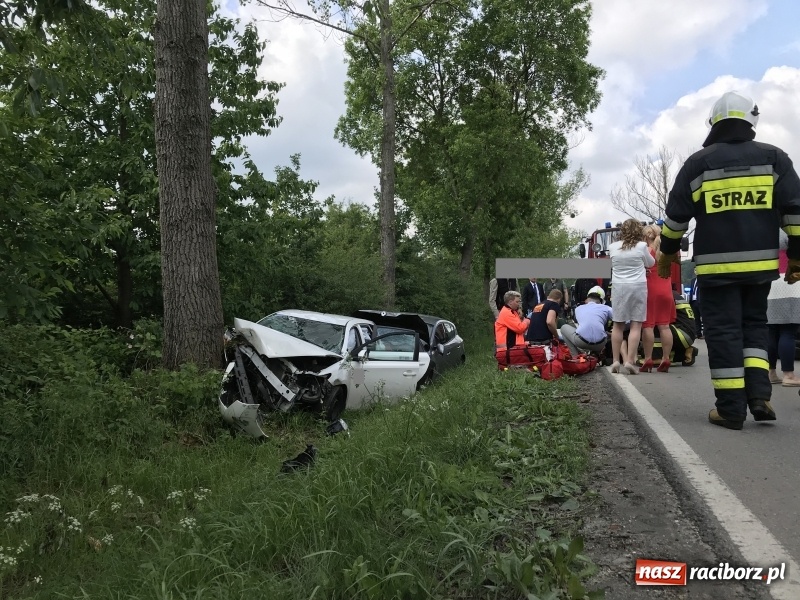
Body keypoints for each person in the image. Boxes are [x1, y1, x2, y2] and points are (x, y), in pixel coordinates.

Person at [658, 91, 800, 430]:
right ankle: (760, 397)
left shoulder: (699, 163)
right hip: (760, 269)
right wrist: (795, 257)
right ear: (751, 120)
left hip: (717, 270)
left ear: (714, 123)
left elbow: (676, 217)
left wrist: (668, 250)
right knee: (754, 328)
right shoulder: (774, 159)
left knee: (723, 333)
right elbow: (795, 212)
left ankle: (731, 409)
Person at [609, 219, 654, 374]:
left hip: (619, 287)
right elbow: (651, 263)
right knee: (636, 324)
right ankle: (630, 360)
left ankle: (615, 360)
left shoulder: (612, 247)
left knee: (618, 325)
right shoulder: (641, 246)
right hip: (637, 287)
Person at [640, 224, 676, 372]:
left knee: (648, 326)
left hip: (650, 292)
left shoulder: (646, 252)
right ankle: (666, 358)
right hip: (666, 292)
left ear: (645, 237)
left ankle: (648, 359)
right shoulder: (667, 252)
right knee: (665, 326)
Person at [767, 230, 800, 386]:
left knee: (771, 331)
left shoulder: (764, 224)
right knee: (788, 330)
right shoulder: (789, 227)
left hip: (768, 281)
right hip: (790, 281)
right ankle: (789, 375)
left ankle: (770, 372)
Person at [561, 286, 613, 357]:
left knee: (564, 328)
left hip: (582, 342)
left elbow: (585, 326)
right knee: (608, 334)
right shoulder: (607, 308)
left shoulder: (578, 309)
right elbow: (623, 321)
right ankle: (597, 355)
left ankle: (575, 356)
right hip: (600, 344)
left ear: (586, 300)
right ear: (601, 301)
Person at [689, 268, 703, 338]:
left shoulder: (702, 280)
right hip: (693, 301)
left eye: (697, 270)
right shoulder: (693, 281)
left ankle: (706, 333)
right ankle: (698, 334)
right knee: (696, 319)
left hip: (701, 301)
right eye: (695, 270)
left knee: (703, 318)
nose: (696, 271)